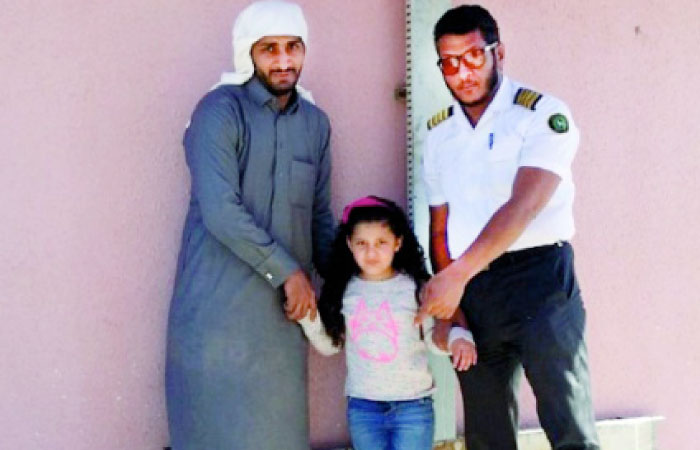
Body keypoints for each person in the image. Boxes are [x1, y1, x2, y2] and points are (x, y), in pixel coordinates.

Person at [416, 5, 600, 450]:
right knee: (486, 435)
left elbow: (522, 207)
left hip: (540, 281)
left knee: (568, 423)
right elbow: (439, 230)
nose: (463, 73)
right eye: (450, 63)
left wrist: (453, 279)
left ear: (499, 53)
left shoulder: (541, 114)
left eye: (474, 57)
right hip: (476, 293)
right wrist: (455, 316)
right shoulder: (438, 134)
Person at [164, 1, 335, 449]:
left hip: (283, 320)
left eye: (293, 47)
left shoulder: (315, 124)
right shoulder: (219, 112)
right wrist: (291, 273)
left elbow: (318, 215)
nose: (283, 61)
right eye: (269, 49)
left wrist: (347, 288)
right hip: (216, 312)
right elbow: (220, 209)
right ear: (247, 53)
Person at [298, 196, 477, 450]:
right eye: (362, 243)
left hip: (413, 407)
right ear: (349, 244)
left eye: (381, 242)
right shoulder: (344, 290)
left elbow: (432, 341)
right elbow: (330, 346)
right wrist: (308, 317)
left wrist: (458, 339)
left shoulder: (416, 287)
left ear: (398, 243)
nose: (371, 252)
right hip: (364, 408)